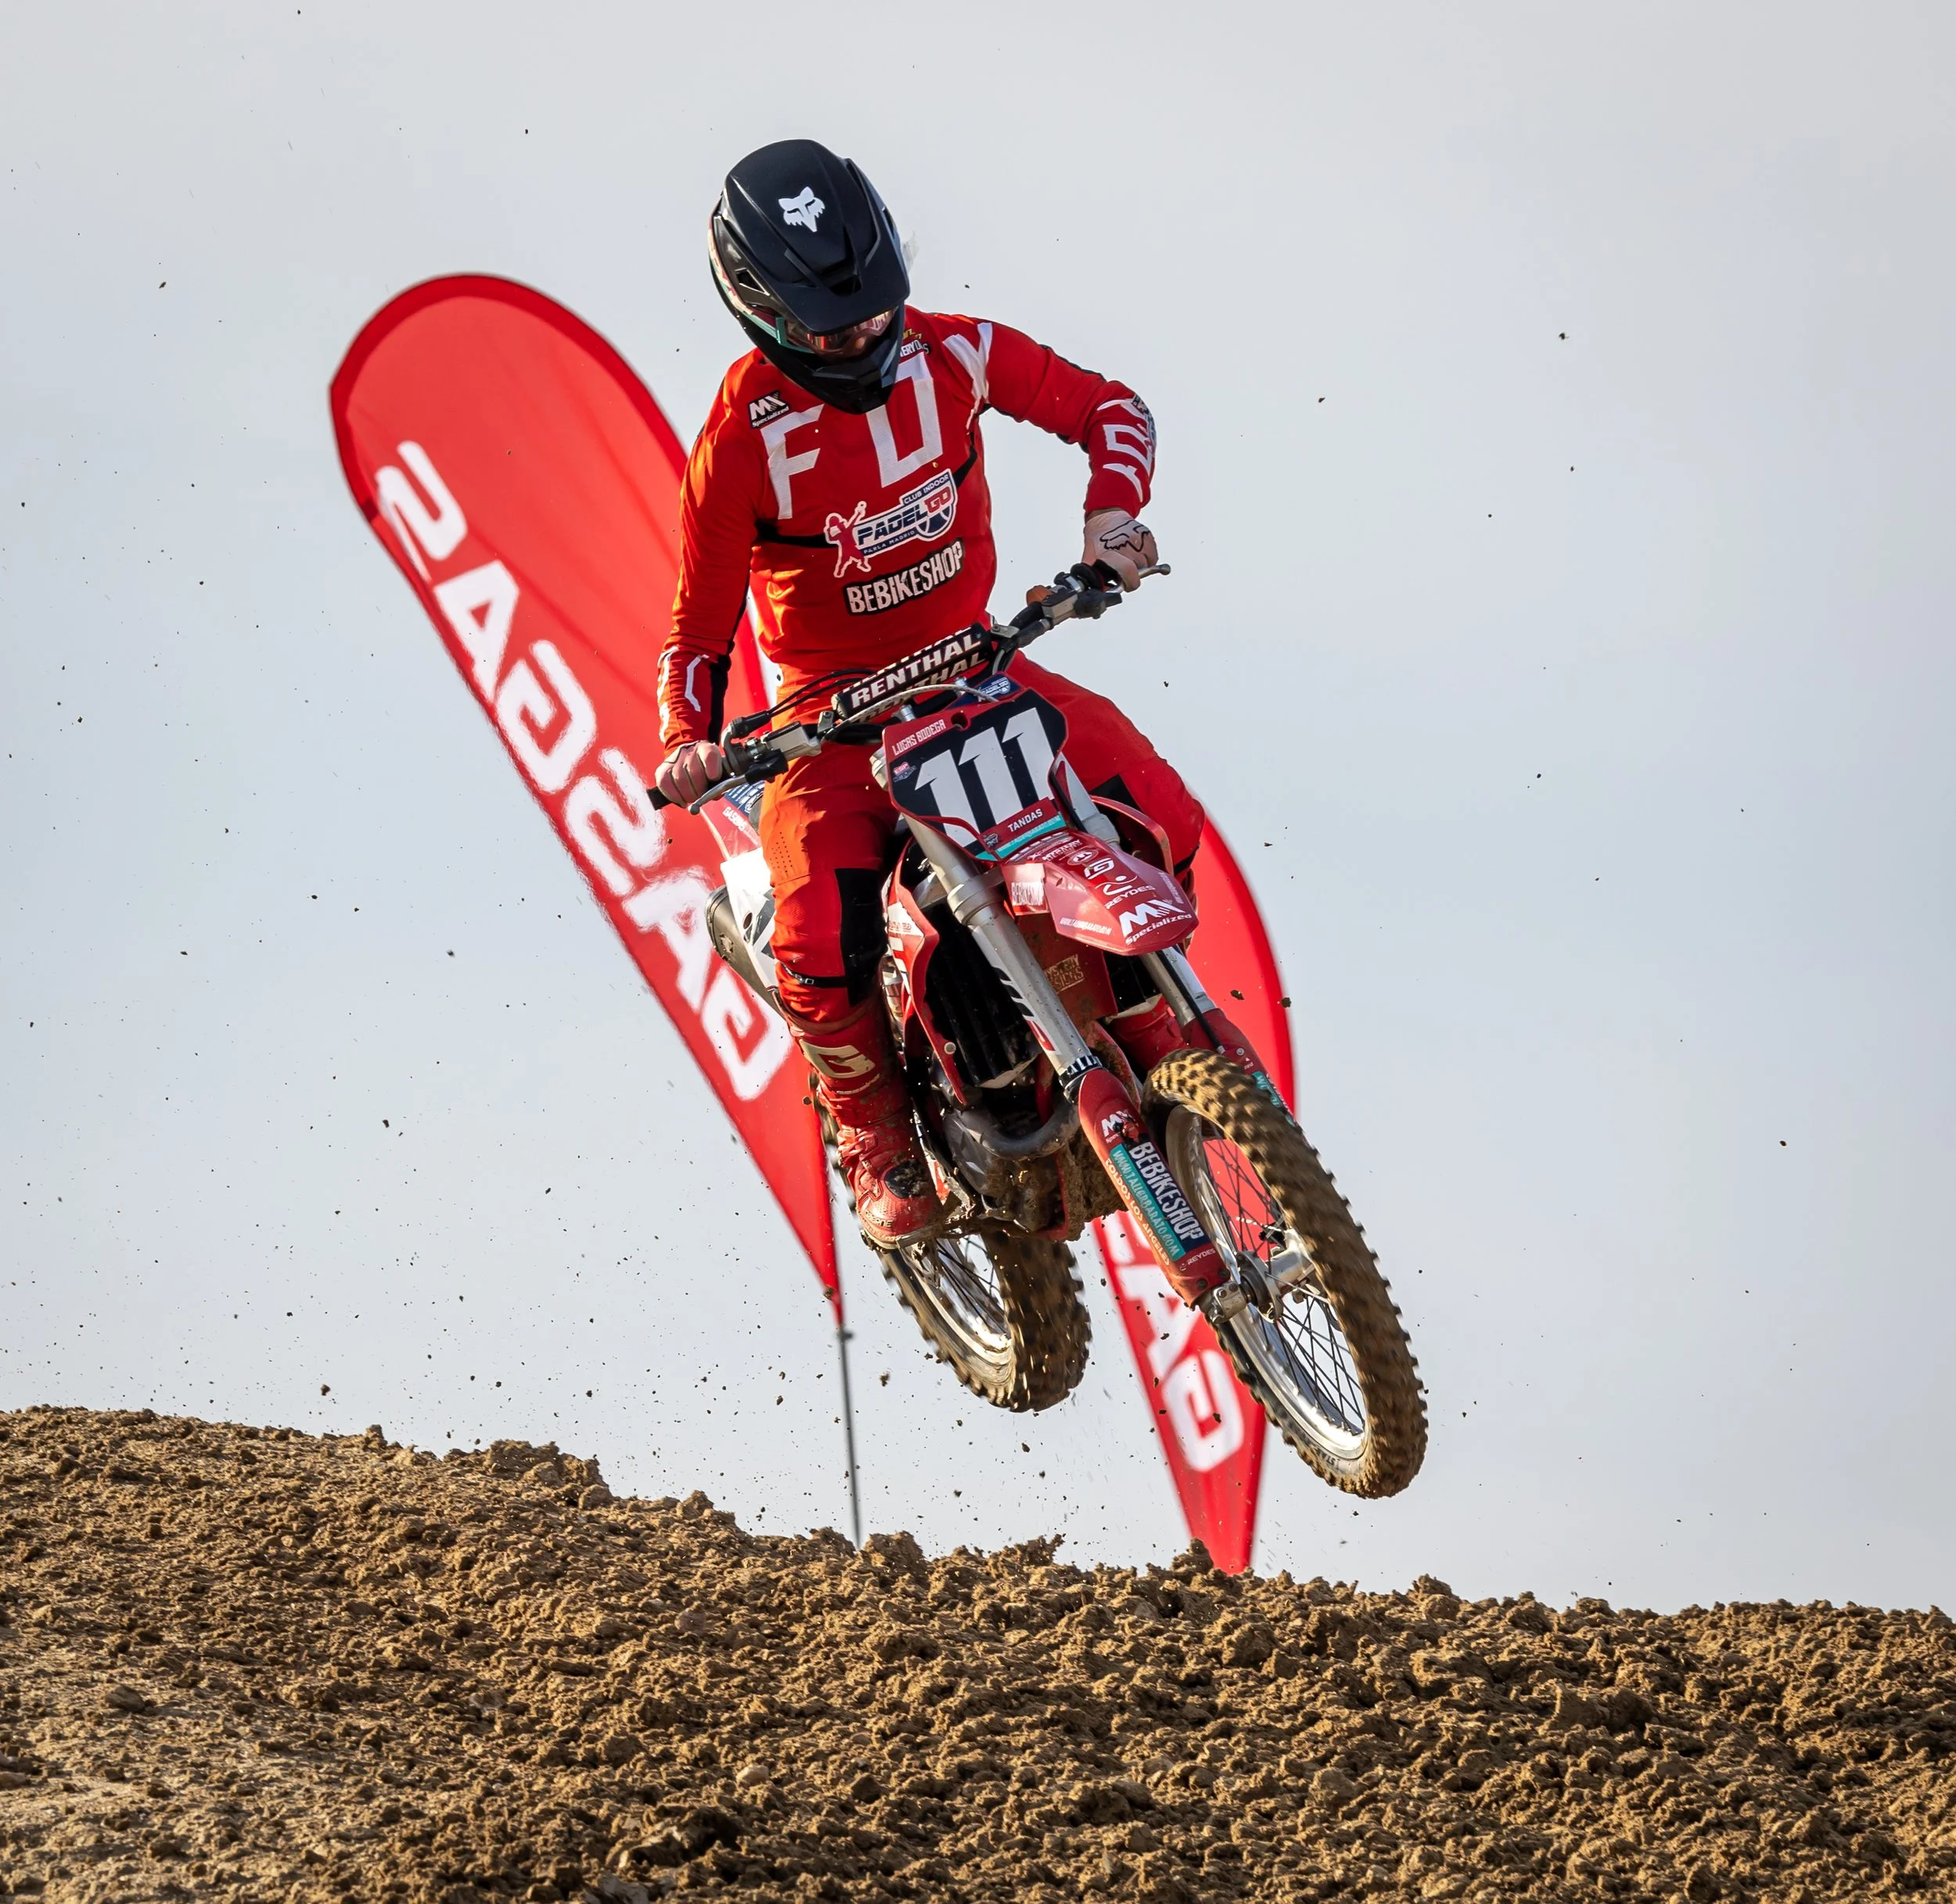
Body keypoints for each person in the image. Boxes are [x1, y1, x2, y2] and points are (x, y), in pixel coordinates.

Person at [655, 139, 1203, 1248]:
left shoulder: (956, 353)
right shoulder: (737, 442)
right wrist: (686, 739)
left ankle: (1148, 1019)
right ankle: (877, 1134)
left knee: (1157, 802)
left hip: (978, 669)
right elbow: (694, 633)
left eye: (873, 311)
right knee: (815, 939)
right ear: (760, 315)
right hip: (830, 729)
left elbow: (1113, 409)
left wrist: (1110, 519)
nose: (863, 338)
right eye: (830, 330)